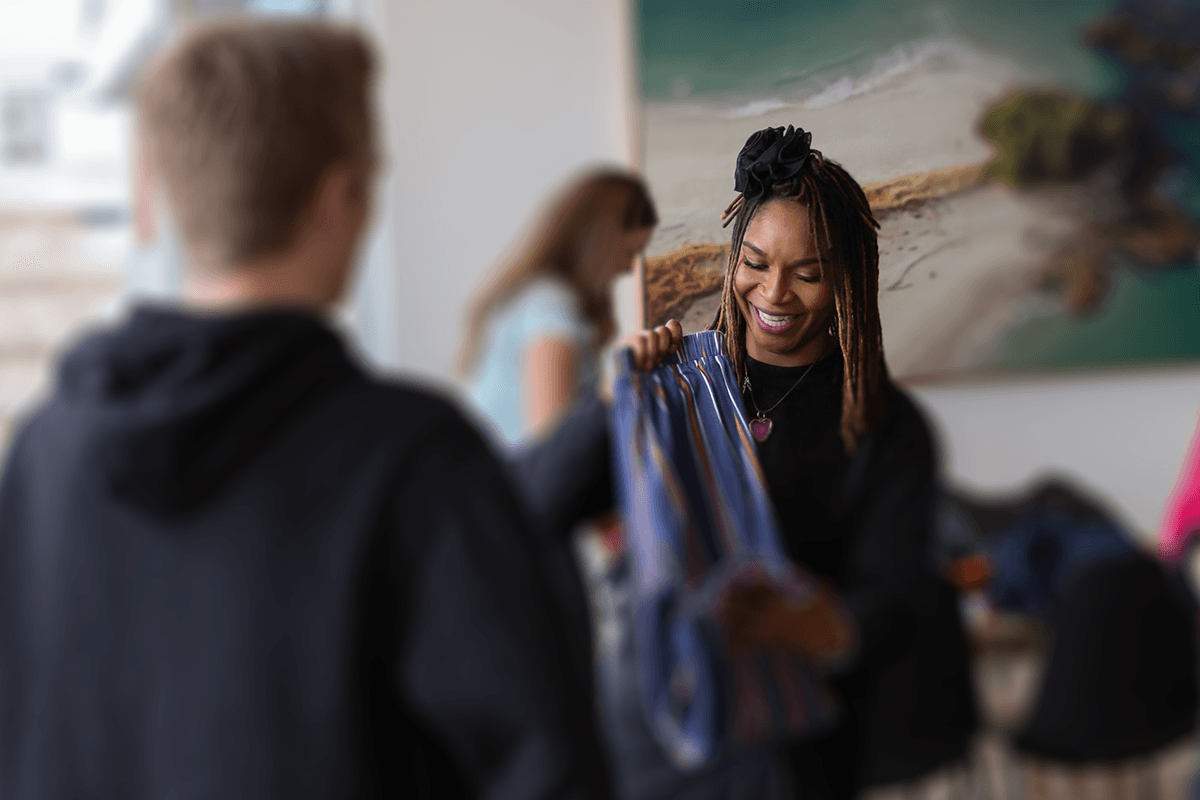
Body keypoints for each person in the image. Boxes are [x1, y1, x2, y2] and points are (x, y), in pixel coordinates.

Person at [0, 20, 609, 800]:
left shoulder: (46, 450)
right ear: (339, 200)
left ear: (159, 199)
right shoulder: (414, 462)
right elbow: (546, 768)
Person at [510, 125, 978, 800]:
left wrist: (827, 626)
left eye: (808, 272)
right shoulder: (676, 391)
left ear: (846, 277)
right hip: (658, 743)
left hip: (797, 756)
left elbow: (897, 600)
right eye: (755, 262)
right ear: (733, 258)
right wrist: (610, 401)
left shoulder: (882, 425)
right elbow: (531, 503)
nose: (774, 293)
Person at [461, 170, 657, 448]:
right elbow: (553, 446)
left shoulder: (536, 298)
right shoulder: (551, 307)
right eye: (629, 253)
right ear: (602, 239)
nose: (630, 268)